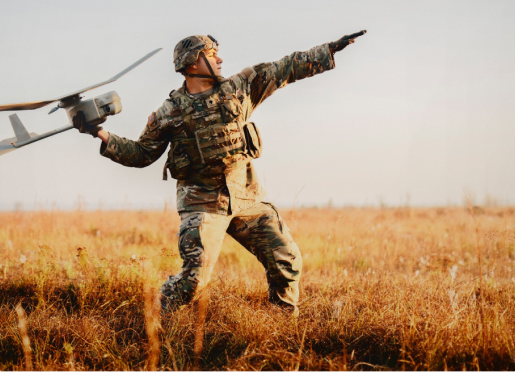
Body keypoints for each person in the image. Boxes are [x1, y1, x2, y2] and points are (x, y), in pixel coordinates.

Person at [73, 30, 366, 315]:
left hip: (247, 199)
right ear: (192, 64)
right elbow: (141, 154)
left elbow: (286, 67)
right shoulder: (169, 112)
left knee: (287, 261)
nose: (221, 60)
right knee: (193, 282)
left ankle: (283, 320)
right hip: (202, 205)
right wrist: (99, 133)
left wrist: (328, 50)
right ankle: (153, 321)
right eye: (212, 55)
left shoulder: (240, 88)